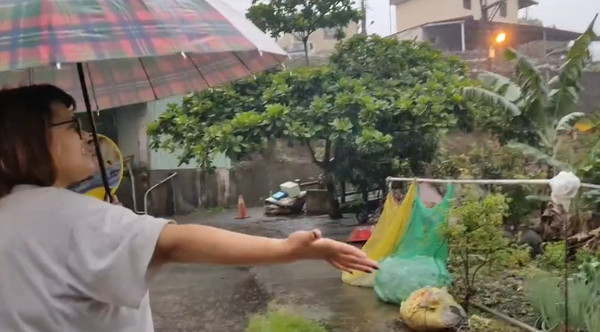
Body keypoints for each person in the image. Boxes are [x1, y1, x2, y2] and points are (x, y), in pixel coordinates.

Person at [0, 85, 378, 332]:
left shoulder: (20, 215)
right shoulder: (72, 218)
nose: (86, 136)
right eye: (70, 125)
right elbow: (174, 241)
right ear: (23, 143)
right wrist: (288, 249)